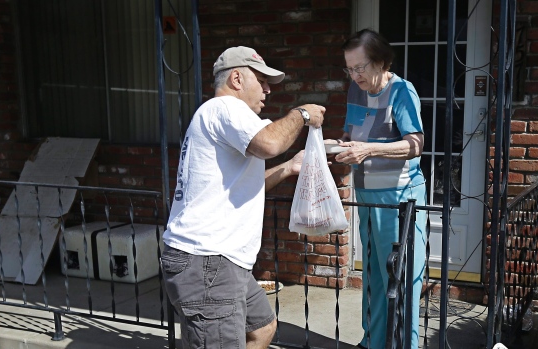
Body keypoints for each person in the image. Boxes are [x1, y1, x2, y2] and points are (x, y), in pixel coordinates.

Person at [160, 46, 325, 349]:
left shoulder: (218, 118)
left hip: (216, 262)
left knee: (262, 328)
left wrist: (289, 168)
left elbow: (241, 184)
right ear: (236, 78)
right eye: (261, 81)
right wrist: (301, 115)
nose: (267, 90)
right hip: (209, 262)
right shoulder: (226, 108)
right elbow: (270, 143)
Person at [327, 29, 427, 349]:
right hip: (367, 196)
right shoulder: (356, 91)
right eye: (349, 68)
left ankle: (404, 345)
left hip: (399, 198)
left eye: (360, 67)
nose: (354, 75)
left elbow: (415, 144)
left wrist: (369, 150)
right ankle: (374, 342)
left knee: (400, 279)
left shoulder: (402, 92)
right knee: (373, 276)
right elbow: (351, 133)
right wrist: (332, 147)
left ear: (381, 62)